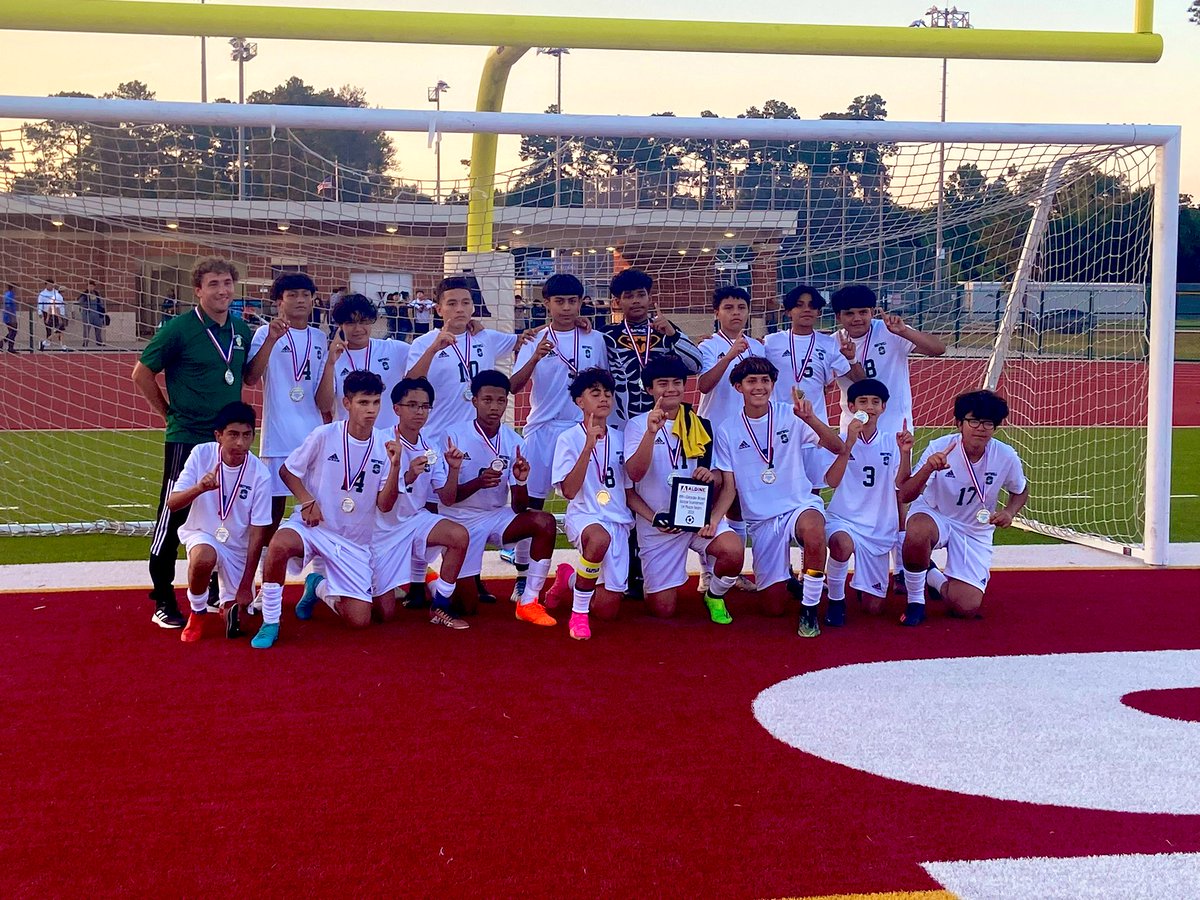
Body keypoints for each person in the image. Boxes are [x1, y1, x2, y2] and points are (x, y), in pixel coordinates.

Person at [132, 257, 253, 629]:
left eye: (227, 283)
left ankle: (214, 588)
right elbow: (142, 373)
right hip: (187, 437)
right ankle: (163, 597)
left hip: (226, 440)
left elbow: (246, 376)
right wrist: (167, 413)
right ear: (198, 290)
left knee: (223, 511)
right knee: (174, 514)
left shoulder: (241, 329)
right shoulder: (179, 329)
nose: (222, 290)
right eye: (213, 284)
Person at [258, 371, 399, 646]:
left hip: (353, 542)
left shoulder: (385, 445)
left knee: (361, 621)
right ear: (347, 403)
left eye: (375, 403)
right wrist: (306, 500)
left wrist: (395, 468)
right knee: (278, 545)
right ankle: (270, 621)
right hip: (315, 526)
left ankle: (318, 587)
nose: (370, 410)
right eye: (363, 403)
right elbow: (288, 471)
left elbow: (385, 504)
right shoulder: (324, 435)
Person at [708, 357, 844, 637]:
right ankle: (789, 581)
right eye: (751, 381)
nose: (759, 387)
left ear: (772, 384)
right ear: (738, 387)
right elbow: (730, 488)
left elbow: (837, 447)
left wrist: (811, 419)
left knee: (815, 530)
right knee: (773, 607)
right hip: (761, 519)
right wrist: (714, 520)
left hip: (798, 504)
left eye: (765, 381)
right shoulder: (726, 430)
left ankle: (809, 608)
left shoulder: (791, 415)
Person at [831, 284, 947, 586]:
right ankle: (844, 561)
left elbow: (938, 349)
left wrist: (904, 332)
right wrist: (849, 360)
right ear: (839, 316)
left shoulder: (890, 330)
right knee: (859, 492)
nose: (857, 318)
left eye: (863, 312)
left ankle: (900, 567)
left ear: (872, 311)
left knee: (897, 495)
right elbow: (861, 386)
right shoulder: (834, 343)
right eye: (849, 313)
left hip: (896, 427)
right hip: (855, 430)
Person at [507, 274, 607, 597]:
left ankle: (587, 580)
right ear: (546, 304)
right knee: (531, 507)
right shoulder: (533, 340)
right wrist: (535, 356)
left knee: (589, 503)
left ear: (581, 303)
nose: (566, 308)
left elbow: (602, 385)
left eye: (572, 301)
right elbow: (513, 386)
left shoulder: (595, 339)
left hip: (581, 432)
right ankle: (523, 577)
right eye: (559, 301)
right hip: (541, 432)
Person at [624, 355, 745, 622]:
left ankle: (714, 595)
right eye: (662, 384)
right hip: (658, 523)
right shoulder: (637, 425)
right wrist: (651, 433)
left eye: (677, 383)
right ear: (649, 389)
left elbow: (718, 476)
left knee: (733, 551)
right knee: (662, 610)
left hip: (696, 518)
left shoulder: (700, 424)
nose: (671, 389)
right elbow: (633, 475)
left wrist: (709, 476)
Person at [897, 389, 1029, 626]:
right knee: (917, 532)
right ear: (959, 423)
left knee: (966, 607)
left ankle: (931, 575)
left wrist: (1009, 512)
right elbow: (906, 494)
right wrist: (928, 467)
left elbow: (1020, 490)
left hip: (974, 528)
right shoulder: (940, 447)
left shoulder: (1005, 455)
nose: (980, 428)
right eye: (973, 421)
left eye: (988, 422)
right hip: (935, 514)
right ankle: (915, 601)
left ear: (996, 427)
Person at [436, 370, 558, 623]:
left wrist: (521, 480)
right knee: (466, 607)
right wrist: (478, 483)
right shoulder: (453, 436)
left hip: (495, 516)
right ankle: (433, 583)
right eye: (487, 400)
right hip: (459, 520)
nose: (494, 407)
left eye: (500, 400)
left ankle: (529, 601)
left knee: (544, 521)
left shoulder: (514, 441)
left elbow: (520, 507)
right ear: (475, 401)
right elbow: (447, 499)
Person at [364, 376, 471, 630]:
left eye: (424, 406)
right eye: (412, 405)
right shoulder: (379, 442)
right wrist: (408, 474)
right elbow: (383, 505)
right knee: (383, 615)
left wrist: (454, 470)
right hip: (380, 530)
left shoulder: (430, 447)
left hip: (414, 520)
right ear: (396, 409)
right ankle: (322, 586)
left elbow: (447, 498)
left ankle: (440, 606)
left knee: (458, 535)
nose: (419, 411)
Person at [168, 402, 272, 643]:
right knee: (203, 557)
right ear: (219, 436)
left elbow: (258, 533)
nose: (240, 443)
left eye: (247, 435)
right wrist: (199, 488)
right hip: (203, 533)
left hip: (238, 548)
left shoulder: (260, 475)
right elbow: (173, 503)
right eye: (233, 435)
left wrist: (248, 584)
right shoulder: (201, 454)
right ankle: (198, 610)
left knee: (239, 624)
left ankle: (227, 604)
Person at [544, 368, 635, 640]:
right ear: (579, 401)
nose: (604, 398)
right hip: (585, 516)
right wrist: (587, 448)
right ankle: (578, 615)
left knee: (607, 610)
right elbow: (570, 491)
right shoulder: (568, 439)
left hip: (617, 521)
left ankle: (568, 579)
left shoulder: (622, 437)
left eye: (608, 393)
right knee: (598, 539)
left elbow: (628, 490)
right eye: (595, 393)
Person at [243, 273, 328, 538]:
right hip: (278, 435)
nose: (300, 300)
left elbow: (320, 394)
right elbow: (251, 377)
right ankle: (264, 568)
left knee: (319, 505)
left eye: (305, 295)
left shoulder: (319, 337)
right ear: (279, 301)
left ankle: (319, 571)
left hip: (312, 435)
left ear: (313, 299)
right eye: (292, 295)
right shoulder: (264, 333)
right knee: (272, 510)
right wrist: (271, 340)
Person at [821, 379, 905, 625]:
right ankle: (836, 600)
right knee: (840, 545)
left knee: (874, 609)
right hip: (843, 519)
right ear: (850, 406)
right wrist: (847, 446)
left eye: (875, 402)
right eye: (863, 402)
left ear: (883, 407)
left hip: (877, 528)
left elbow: (901, 487)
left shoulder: (893, 442)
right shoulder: (838, 440)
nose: (869, 407)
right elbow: (832, 481)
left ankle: (863, 585)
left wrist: (901, 529)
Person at [405, 275, 520, 447]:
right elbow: (409, 385)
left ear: (472, 307)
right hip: (437, 438)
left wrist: (571, 323)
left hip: (478, 440)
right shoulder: (423, 343)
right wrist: (433, 349)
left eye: (465, 303)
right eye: (452, 304)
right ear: (439, 309)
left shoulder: (485, 337)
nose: (460, 309)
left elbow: (526, 339)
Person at [598, 268, 702, 427]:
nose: (636, 301)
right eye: (629, 296)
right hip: (619, 423)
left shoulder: (666, 331)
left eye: (641, 295)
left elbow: (696, 365)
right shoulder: (607, 335)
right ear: (617, 302)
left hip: (664, 421)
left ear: (649, 298)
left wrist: (673, 335)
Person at [763, 285, 861, 421]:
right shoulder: (771, 342)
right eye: (799, 305)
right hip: (780, 422)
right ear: (788, 312)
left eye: (812, 306)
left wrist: (852, 359)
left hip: (816, 423)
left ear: (819, 312)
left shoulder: (829, 343)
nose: (807, 310)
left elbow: (859, 381)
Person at [316, 292, 410, 432]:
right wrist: (330, 363)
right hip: (349, 441)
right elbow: (324, 406)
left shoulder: (394, 349)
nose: (358, 328)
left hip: (388, 440)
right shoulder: (331, 358)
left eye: (363, 321)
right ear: (340, 325)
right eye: (351, 323)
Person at [37, 278, 66, 349]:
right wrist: (40, 312)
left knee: (59, 330)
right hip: (50, 313)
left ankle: (62, 345)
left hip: (54, 313)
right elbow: (41, 303)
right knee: (53, 329)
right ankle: (46, 342)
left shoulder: (56, 293)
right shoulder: (43, 294)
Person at [77, 280, 107, 348]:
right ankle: (85, 342)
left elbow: (101, 303)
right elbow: (81, 303)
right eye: (89, 286)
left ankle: (99, 342)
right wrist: (86, 306)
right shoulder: (84, 294)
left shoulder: (97, 294)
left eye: (92, 286)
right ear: (87, 287)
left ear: (94, 287)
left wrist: (103, 312)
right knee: (86, 329)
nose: (91, 287)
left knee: (98, 329)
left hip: (97, 314)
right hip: (87, 314)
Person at [3, 284, 17, 353]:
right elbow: (8, 307)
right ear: (13, 288)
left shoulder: (10, 294)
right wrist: (12, 318)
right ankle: (10, 347)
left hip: (10, 315)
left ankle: (2, 343)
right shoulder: (9, 295)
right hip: (9, 316)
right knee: (13, 331)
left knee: (12, 332)